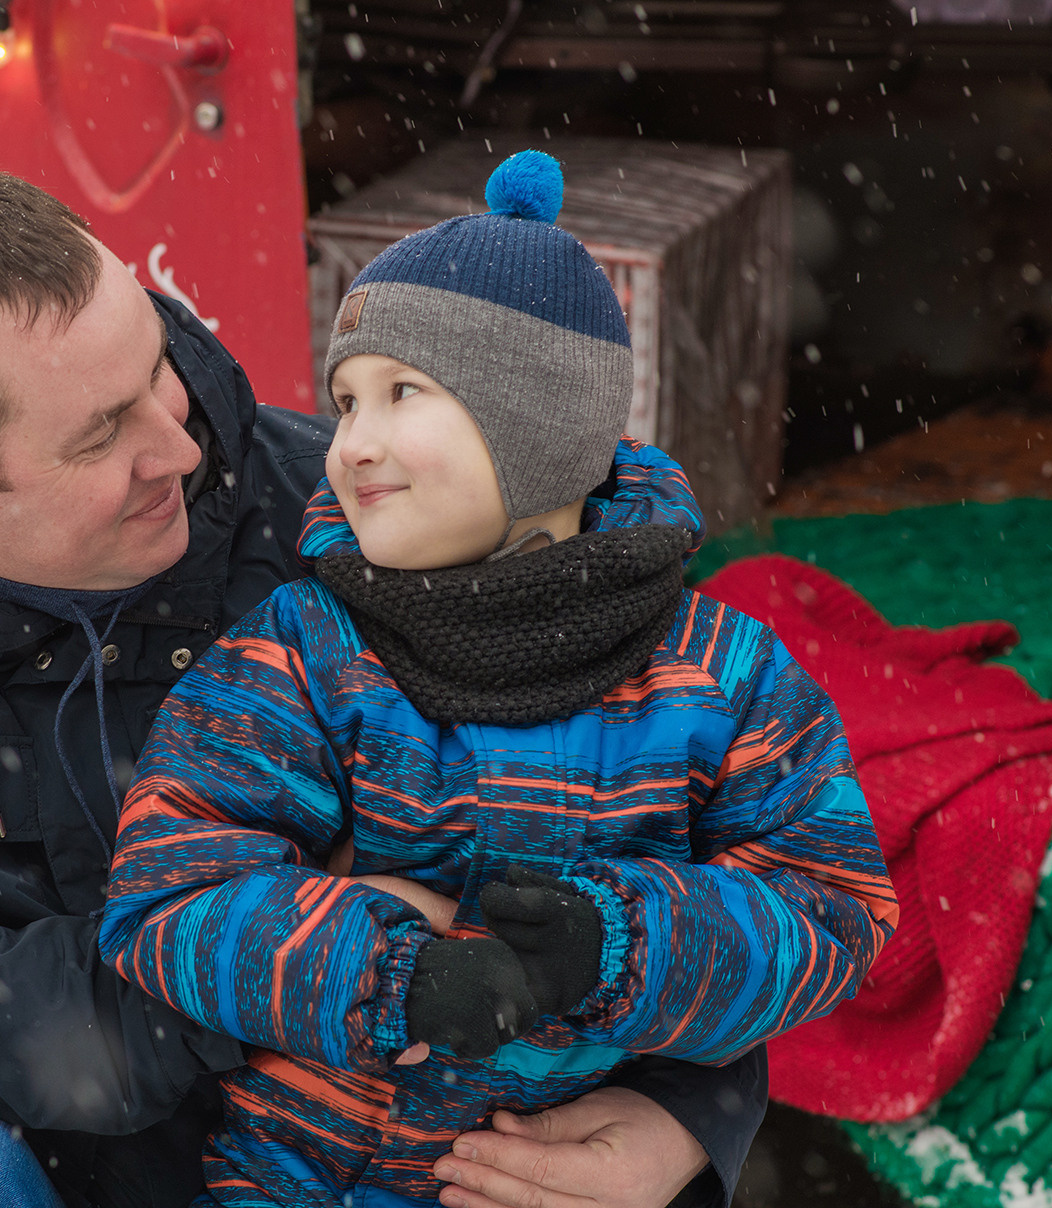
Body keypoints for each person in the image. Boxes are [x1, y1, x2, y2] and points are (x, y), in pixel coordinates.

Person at [0, 167, 771, 1208]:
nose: (178, 448)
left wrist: (689, 1114)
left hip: (365, 1147)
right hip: (27, 1155)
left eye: (155, 368)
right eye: (103, 433)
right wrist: (259, 960)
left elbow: (669, 807)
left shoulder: (342, 519)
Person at [98, 153, 899, 1208]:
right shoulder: (301, 650)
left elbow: (829, 912)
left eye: (401, 393)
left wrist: (615, 943)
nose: (350, 445)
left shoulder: (721, 676)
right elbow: (166, 894)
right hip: (303, 1177)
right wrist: (388, 976)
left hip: (563, 1175)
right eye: (343, 402)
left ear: (540, 426)